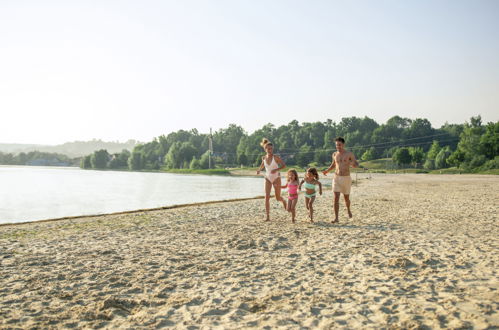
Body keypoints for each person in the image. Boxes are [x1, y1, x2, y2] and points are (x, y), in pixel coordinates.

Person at [322, 136, 365, 223]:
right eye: (337, 145)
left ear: (343, 144)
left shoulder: (349, 154)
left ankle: (348, 209)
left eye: (340, 145)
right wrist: (327, 170)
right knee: (336, 198)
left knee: (346, 198)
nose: (338, 146)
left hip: (346, 178)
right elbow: (333, 165)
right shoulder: (334, 154)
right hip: (336, 177)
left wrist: (352, 163)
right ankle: (336, 218)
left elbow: (356, 164)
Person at [256, 138, 287, 221]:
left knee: (277, 198)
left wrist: (276, 170)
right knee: (266, 197)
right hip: (268, 178)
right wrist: (259, 170)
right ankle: (268, 217)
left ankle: (283, 201)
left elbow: (284, 166)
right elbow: (262, 165)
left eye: (271, 149)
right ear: (265, 149)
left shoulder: (276, 157)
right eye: (268, 149)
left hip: (276, 177)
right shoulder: (263, 158)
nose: (270, 150)